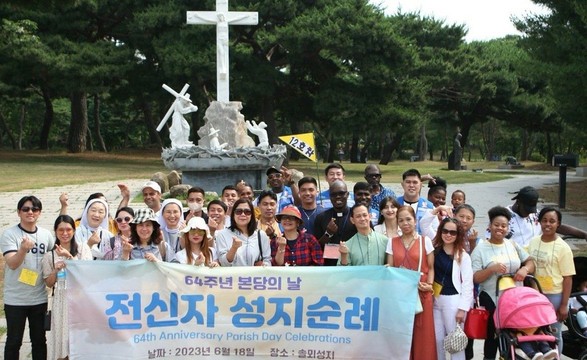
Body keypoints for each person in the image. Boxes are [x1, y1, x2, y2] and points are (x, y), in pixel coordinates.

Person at [471, 206, 535, 360]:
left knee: (515, 335)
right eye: (496, 225)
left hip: (514, 299)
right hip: (492, 298)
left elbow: (531, 261)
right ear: (490, 226)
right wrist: (491, 269)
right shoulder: (480, 249)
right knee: (493, 338)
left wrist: (525, 269)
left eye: (504, 226)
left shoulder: (512, 244)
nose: (500, 228)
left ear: (508, 228)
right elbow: (475, 277)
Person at [1, 196, 54, 360]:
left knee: (39, 341)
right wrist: (23, 249)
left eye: (35, 209)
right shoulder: (10, 234)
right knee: (14, 341)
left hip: (38, 297)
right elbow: (12, 264)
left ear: (39, 213)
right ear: (18, 212)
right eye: (26, 209)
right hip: (15, 299)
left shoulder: (46, 235)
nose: (30, 212)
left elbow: (54, 255)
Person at [386, 205, 436, 360]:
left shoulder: (425, 241)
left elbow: (431, 268)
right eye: (401, 220)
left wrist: (429, 285)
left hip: (421, 291)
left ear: (415, 220)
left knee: (423, 333)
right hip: (400, 294)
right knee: (402, 333)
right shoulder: (391, 242)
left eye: (408, 219)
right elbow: (391, 268)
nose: (405, 223)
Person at [42, 215, 92, 360]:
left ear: (74, 230)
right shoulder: (49, 255)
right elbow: (48, 283)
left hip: (80, 300)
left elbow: (87, 274)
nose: (65, 233)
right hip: (60, 301)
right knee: (61, 341)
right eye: (61, 230)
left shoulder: (83, 249)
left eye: (68, 229)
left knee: (80, 339)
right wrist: (55, 271)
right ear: (55, 231)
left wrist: (69, 257)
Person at [527, 207, 575, 354]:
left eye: (552, 221)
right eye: (544, 220)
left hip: (554, 296)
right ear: (539, 222)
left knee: (554, 334)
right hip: (536, 295)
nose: (548, 224)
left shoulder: (563, 248)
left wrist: (564, 305)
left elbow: (568, 278)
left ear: (558, 224)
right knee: (536, 332)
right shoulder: (534, 242)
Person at [432, 217, 474, 360]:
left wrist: (463, 309)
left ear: (458, 235)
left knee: (455, 341)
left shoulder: (463, 256)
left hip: (453, 301)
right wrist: (438, 210)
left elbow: (468, 284)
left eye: (453, 232)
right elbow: (425, 223)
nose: (448, 235)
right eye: (445, 231)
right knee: (437, 340)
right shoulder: (434, 250)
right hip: (435, 300)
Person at [506, 186, 587, 248]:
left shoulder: (536, 215)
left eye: (531, 210)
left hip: (537, 257)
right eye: (526, 210)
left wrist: (584, 234)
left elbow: (557, 227)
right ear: (518, 202)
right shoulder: (503, 217)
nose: (529, 213)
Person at [215, 199, 272, 267]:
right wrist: (234, 248)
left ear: (252, 215)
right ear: (233, 214)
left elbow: (267, 260)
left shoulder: (261, 235)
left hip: (254, 277)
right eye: (238, 211)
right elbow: (223, 263)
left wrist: (264, 265)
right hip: (232, 277)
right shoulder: (222, 234)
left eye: (247, 212)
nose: (243, 214)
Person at [314, 180, 358, 266]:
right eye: (333, 194)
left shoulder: (356, 215)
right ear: (330, 197)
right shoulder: (321, 217)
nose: (338, 197)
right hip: (329, 265)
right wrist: (328, 234)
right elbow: (316, 246)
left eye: (341, 193)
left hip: (353, 264)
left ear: (347, 195)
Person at [396, 168, 434, 233]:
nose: (411, 185)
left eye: (415, 182)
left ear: (421, 185)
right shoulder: (394, 204)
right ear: (402, 184)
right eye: (408, 182)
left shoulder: (429, 206)